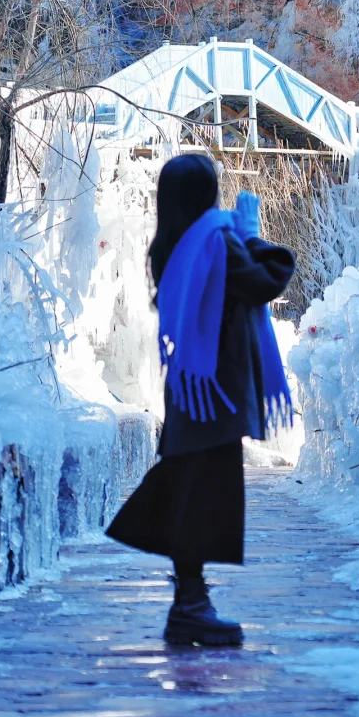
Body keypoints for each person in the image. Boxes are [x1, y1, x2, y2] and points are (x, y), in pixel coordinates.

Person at [106, 153, 295, 646]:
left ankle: (190, 603)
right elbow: (266, 279)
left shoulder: (171, 246)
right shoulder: (217, 241)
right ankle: (190, 606)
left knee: (188, 489)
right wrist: (251, 234)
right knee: (199, 496)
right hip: (214, 393)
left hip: (190, 389)